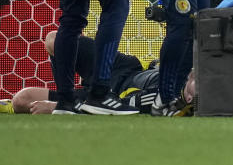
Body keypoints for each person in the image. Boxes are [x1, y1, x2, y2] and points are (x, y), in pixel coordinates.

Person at [8, 32, 175, 115]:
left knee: (21, 100)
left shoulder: (169, 99)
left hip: (107, 97)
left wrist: (61, 106)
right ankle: (66, 96)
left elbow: (127, 106)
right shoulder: (186, 74)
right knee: (55, 40)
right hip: (121, 68)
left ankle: (66, 100)